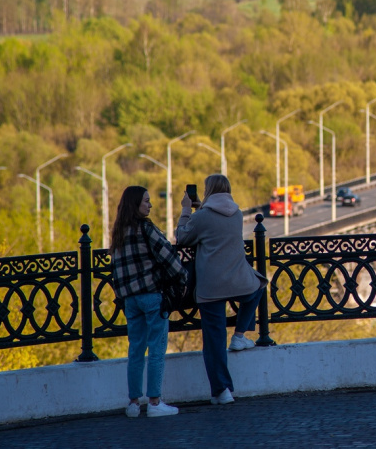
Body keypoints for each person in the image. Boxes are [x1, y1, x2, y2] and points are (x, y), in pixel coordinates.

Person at [176, 174, 266, 405]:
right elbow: (215, 217)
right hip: (239, 281)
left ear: (208, 190)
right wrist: (201, 207)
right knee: (259, 285)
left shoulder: (202, 216)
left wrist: (187, 210)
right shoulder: (237, 214)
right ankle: (239, 335)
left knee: (214, 340)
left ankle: (222, 391)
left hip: (211, 287)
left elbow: (182, 237)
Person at [110, 186, 188, 418]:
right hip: (152, 296)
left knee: (135, 349)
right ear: (136, 204)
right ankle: (154, 402)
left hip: (130, 300)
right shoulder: (145, 228)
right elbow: (168, 256)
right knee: (156, 348)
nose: (150, 205)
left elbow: (115, 270)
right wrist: (183, 278)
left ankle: (133, 403)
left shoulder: (118, 233)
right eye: (146, 201)